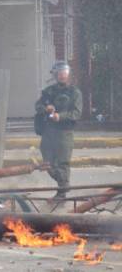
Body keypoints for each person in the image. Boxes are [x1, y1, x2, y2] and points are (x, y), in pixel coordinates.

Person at [35, 61, 83, 200]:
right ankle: (64, 184)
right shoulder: (48, 91)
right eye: (59, 73)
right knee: (47, 163)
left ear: (68, 75)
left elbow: (76, 113)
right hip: (48, 131)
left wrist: (60, 116)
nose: (62, 75)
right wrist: (46, 108)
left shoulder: (75, 92)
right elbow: (38, 105)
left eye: (65, 72)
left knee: (62, 162)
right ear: (55, 75)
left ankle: (62, 190)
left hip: (64, 132)